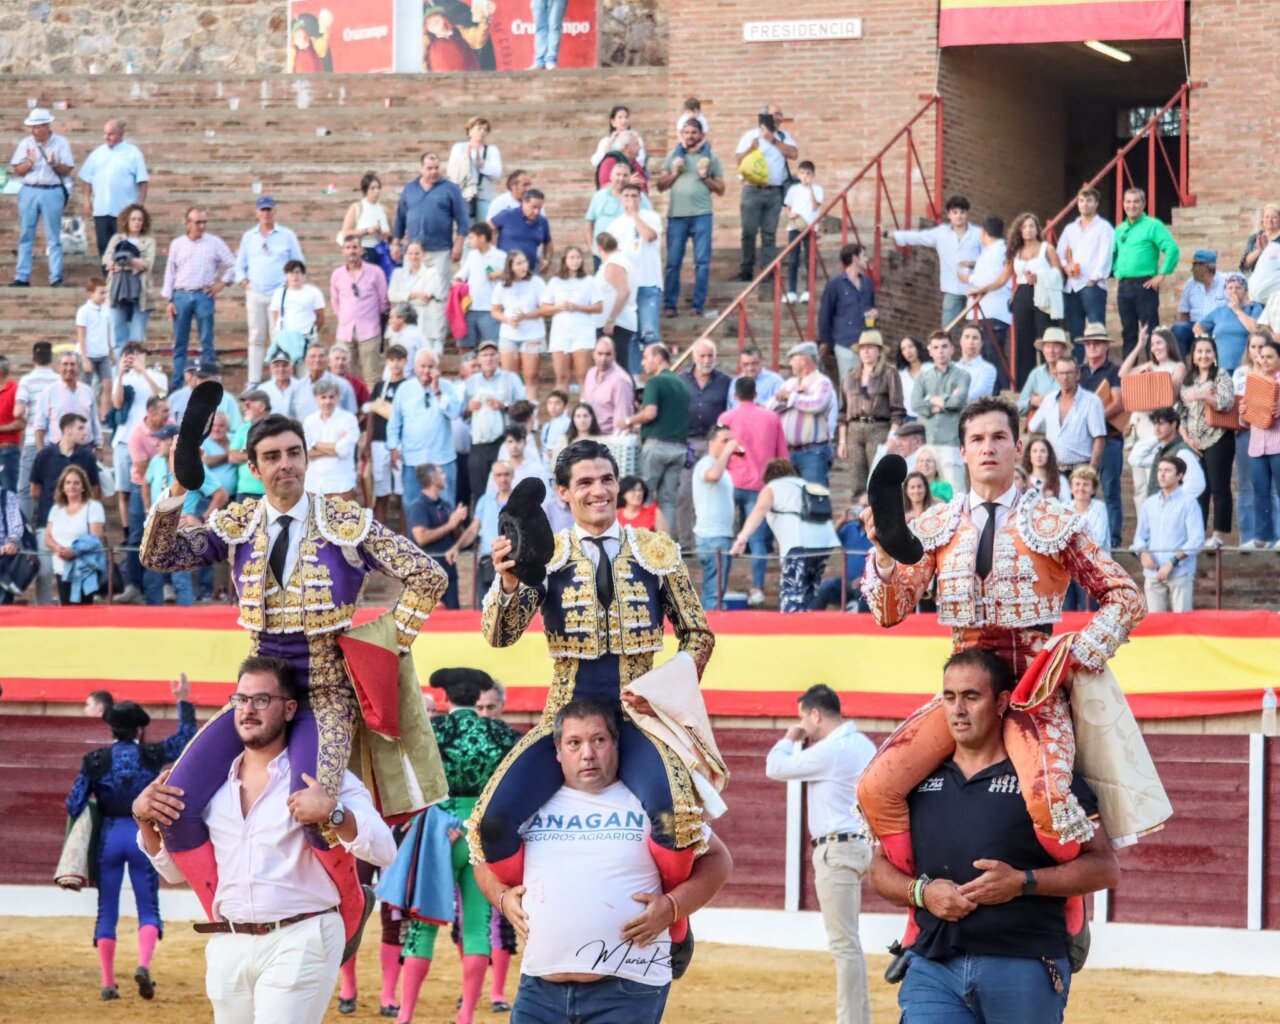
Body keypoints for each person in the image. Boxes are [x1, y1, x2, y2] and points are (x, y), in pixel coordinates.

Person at [138, 415, 448, 955]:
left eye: (294, 453)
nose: (286, 464)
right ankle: (225, 912)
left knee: (315, 810)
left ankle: (352, 908)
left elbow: (430, 576)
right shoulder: (236, 525)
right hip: (256, 698)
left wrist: (383, 645)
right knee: (177, 807)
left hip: (325, 696)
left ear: (307, 458)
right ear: (254, 468)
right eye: (274, 456)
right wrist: (178, 492)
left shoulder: (344, 524)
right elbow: (157, 556)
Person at [472, 440, 719, 911]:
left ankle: (675, 921)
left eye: (607, 479)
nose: (599, 491)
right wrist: (507, 582)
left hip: (640, 718)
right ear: (563, 493)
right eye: (585, 482)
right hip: (564, 721)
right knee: (492, 823)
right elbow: (500, 636)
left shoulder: (657, 550)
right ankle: (532, 903)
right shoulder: (544, 555)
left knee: (679, 817)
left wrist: (663, 693)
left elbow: (697, 636)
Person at [132, 657, 397, 1024]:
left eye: (261, 700)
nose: (247, 710)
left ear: (289, 709)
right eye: (240, 700)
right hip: (229, 942)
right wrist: (145, 822)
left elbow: (384, 848)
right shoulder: (211, 788)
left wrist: (334, 813)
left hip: (302, 936)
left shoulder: (321, 780)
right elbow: (179, 873)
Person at [867, 648, 1120, 1024]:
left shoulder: (1048, 783)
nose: (958, 710)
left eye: (971, 696)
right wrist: (923, 893)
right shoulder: (916, 781)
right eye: (949, 697)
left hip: (1024, 962)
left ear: (1001, 701)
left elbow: (1104, 868)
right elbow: (880, 871)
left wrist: (1023, 882)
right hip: (935, 965)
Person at [474, 699, 733, 1023]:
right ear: (557, 751)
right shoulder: (529, 807)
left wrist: (673, 906)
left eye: (598, 740)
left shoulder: (648, 803)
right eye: (574, 743)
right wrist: (501, 897)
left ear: (615, 744)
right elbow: (481, 860)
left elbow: (718, 860)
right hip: (539, 987)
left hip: (628, 988)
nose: (588, 753)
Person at [388, 668, 518, 1024]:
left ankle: (406, 1015)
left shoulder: (432, 731)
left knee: (423, 926)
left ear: (444, 698)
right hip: (481, 834)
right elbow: (514, 784)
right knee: (477, 925)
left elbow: (408, 778)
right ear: (479, 698)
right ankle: (465, 1017)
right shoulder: (501, 732)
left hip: (438, 832)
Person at [66, 680, 195, 1001]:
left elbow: (74, 804)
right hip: (142, 835)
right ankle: (143, 965)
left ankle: (108, 984)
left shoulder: (94, 760)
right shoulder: (152, 754)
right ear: (139, 729)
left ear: (111, 728)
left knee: (106, 909)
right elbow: (186, 738)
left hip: (108, 837)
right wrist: (182, 701)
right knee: (148, 907)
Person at [765, 685, 876, 1024]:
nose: (802, 725)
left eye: (803, 718)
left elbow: (775, 767)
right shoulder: (862, 744)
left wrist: (788, 736)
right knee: (850, 944)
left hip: (837, 850)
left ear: (815, 714)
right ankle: (859, 1018)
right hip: (858, 845)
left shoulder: (832, 750)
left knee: (844, 946)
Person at [732, 457, 839, 612]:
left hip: (799, 543)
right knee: (810, 591)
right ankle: (810, 628)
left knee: (792, 592)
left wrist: (741, 539)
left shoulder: (772, 487)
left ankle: (791, 630)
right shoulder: (807, 485)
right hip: (824, 543)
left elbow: (759, 510)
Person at [971, 212, 1064, 389]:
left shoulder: (1047, 249)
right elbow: (1002, 279)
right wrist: (980, 290)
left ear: (1037, 229)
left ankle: (1052, 384)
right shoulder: (1015, 252)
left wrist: (1040, 277)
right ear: (1019, 231)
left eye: (1031, 226)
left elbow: (1059, 275)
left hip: (1043, 295)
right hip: (1022, 296)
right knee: (1023, 343)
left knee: (1047, 339)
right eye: (1024, 227)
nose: (1028, 230)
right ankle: (1024, 388)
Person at [719, 375, 788, 606]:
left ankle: (721, 586)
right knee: (758, 539)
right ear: (756, 395)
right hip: (760, 485)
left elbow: (719, 452)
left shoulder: (726, 417)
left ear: (735, 395)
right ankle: (757, 588)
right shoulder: (771, 418)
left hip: (731, 482)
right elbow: (782, 456)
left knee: (727, 535)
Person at [656, 119, 725, 319]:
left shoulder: (711, 158)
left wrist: (705, 178)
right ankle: (670, 305)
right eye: (686, 132)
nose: (690, 136)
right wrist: (675, 173)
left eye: (694, 132)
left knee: (702, 262)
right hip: (677, 216)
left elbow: (721, 189)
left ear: (701, 134)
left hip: (702, 215)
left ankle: (698, 306)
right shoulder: (673, 157)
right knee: (673, 262)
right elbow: (660, 185)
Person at [161, 207, 235, 389]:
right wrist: (169, 300)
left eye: (204, 222)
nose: (201, 226)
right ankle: (178, 382)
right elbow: (170, 272)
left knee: (207, 341)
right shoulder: (177, 244)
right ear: (188, 224)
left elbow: (233, 265)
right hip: (181, 294)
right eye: (197, 222)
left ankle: (209, 381)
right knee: (180, 342)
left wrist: (222, 283)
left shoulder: (214, 242)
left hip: (204, 294)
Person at [235, 196, 304, 387]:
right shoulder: (249, 236)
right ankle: (253, 380)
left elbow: (298, 261)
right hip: (255, 291)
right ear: (257, 212)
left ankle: (278, 378)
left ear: (274, 211)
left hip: (279, 293)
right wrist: (244, 282)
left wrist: (289, 284)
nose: (265, 213)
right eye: (262, 210)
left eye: (269, 210)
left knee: (278, 337)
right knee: (256, 337)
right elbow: (239, 264)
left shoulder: (286, 235)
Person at [675, 339, 733, 548]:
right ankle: (686, 542)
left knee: (716, 492)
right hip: (687, 443)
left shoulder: (725, 381)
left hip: (714, 446)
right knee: (684, 494)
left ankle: (713, 540)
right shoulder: (680, 380)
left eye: (710, 356)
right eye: (702, 356)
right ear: (693, 357)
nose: (706, 360)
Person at [625, 344, 689, 532]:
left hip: (656, 446)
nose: (643, 362)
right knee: (668, 500)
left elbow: (651, 413)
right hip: (679, 448)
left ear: (658, 358)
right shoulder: (682, 384)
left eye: (645, 357)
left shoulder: (654, 382)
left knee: (641, 494)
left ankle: (640, 541)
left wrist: (628, 421)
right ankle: (665, 545)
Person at [1180, 336, 1236, 548]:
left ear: (1214, 355)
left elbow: (1226, 402)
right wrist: (1186, 438)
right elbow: (1181, 412)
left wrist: (1204, 396)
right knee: (1199, 489)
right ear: (1193, 357)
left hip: (1218, 438)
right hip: (1194, 441)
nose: (1204, 355)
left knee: (1219, 488)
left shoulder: (1221, 375)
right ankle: (1198, 535)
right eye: (1199, 352)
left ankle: (1219, 535)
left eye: (1208, 351)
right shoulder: (1187, 380)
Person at [892, 195, 981, 327]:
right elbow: (918, 237)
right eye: (955, 212)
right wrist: (892, 235)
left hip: (975, 288)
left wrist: (975, 265)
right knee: (947, 329)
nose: (959, 216)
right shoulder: (941, 233)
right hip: (952, 288)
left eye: (962, 212)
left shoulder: (978, 234)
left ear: (967, 213)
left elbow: (989, 256)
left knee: (977, 329)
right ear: (949, 215)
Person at [388, 348, 462, 504]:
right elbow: (394, 422)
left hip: (442, 459)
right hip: (413, 459)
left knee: (446, 506)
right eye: (422, 366)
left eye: (430, 366)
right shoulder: (404, 389)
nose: (426, 370)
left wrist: (437, 391)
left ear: (437, 368)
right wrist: (393, 447)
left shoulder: (447, 387)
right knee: (412, 505)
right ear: (415, 367)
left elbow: (454, 414)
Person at [735, 102, 800, 282]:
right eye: (775, 114)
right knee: (748, 232)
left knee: (769, 234)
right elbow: (738, 160)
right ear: (764, 116)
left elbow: (794, 154)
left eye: (781, 114)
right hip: (752, 190)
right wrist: (751, 149)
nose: (779, 117)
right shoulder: (750, 136)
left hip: (775, 192)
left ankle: (767, 271)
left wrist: (772, 139)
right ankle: (746, 270)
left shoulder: (783, 136)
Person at [10, 107, 74, 288]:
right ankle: (22, 276)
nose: (33, 131)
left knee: (53, 237)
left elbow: (67, 170)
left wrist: (54, 164)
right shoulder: (26, 143)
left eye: (37, 126)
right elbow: (17, 170)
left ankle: (56, 277)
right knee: (25, 235)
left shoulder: (61, 143)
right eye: (32, 127)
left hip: (52, 190)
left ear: (46, 126)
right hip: (30, 189)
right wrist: (29, 162)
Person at [1113, 187, 1179, 357]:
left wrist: (1162, 274)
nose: (1131, 205)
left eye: (1136, 201)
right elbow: (1112, 254)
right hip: (1124, 286)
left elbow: (1171, 248)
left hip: (1144, 284)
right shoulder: (1119, 230)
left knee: (1151, 333)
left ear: (1143, 204)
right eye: (1128, 201)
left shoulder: (1153, 225)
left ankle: (1156, 373)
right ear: (1123, 204)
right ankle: (1128, 378)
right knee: (1128, 333)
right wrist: (1115, 271)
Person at [837, 331, 905, 496]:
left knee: (878, 477)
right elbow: (842, 411)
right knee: (857, 478)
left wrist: (892, 436)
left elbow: (897, 409)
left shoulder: (889, 373)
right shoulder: (850, 375)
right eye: (863, 348)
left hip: (879, 426)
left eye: (870, 348)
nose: (866, 351)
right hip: (853, 428)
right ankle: (859, 517)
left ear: (879, 351)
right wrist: (842, 440)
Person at [1133, 455, 1204, 612]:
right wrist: (1144, 554)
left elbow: (1196, 540)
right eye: (1160, 470)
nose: (1162, 474)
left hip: (1180, 572)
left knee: (1182, 624)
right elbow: (1139, 536)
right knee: (1155, 626)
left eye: (1167, 471)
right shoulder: (1150, 503)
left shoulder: (1189, 503)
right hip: (1152, 573)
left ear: (1179, 476)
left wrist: (1172, 562)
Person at [1077, 324, 1126, 546]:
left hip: (1110, 437)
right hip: (1084, 441)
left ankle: (1113, 539)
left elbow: (1118, 402)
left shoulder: (1113, 370)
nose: (1092, 346)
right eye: (1089, 343)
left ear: (1106, 345)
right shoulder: (1078, 371)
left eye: (1097, 342)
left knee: (1110, 490)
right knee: (1084, 490)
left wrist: (1092, 418)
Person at [606, 181, 664, 359]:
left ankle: (655, 375)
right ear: (620, 199)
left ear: (640, 199)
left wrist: (635, 216)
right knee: (630, 335)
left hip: (649, 283)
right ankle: (636, 380)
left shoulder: (651, 217)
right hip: (627, 288)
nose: (630, 200)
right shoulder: (614, 226)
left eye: (634, 196)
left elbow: (649, 236)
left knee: (649, 333)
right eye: (626, 196)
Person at [463, 340, 526, 502]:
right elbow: (461, 414)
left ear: (498, 357)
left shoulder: (510, 378)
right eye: (484, 355)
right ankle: (483, 525)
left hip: (503, 442)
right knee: (479, 490)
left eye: (492, 354)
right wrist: (469, 408)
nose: (488, 359)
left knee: (505, 487)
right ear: (478, 358)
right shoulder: (471, 382)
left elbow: (525, 408)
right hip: (478, 444)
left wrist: (504, 406)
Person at [393, 152, 469, 285]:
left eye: (437, 167)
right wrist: (395, 243)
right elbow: (400, 218)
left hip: (440, 251)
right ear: (421, 168)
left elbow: (463, 220)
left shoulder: (451, 189)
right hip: (414, 252)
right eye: (429, 168)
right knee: (413, 290)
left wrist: (459, 244)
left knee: (439, 292)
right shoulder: (410, 189)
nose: (434, 171)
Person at [78, 117, 149, 257]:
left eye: (111, 134)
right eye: (105, 133)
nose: (106, 137)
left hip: (124, 211)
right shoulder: (97, 154)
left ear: (121, 134)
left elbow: (143, 182)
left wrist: (139, 205)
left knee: (125, 248)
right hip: (101, 210)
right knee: (104, 248)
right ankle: (108, 278)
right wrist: (86, 200)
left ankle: (124, 278)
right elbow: (87, 180)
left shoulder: (133, 153)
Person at [771, 341, 837, 486]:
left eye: (793, 359)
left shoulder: (822, 383)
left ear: (805, 359)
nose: (790, 364)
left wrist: (791, 397)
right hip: (787, 452)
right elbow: (771, 408)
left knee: (813, 496)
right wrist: (787, 396)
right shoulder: (789, 384)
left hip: (813, 452)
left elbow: (817, 404)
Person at [331, 235, 391, 391]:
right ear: (343, 251)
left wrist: (369, 319)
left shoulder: (375, 272)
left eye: (355, 247)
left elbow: (383, 302)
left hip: (369, 331)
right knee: (345, 375)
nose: (352, 251)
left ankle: (372, 413)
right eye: (348, 248)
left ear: (362, 250)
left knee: (372, 376)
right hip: (345, 333)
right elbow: (335, 303)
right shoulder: (337, 275)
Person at [1056, 186, 1114, 348]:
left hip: (1092, 284)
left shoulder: (1104, 227)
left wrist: (1094, 278)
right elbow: (1059, 254)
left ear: (1096, 204)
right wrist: (1065, 267)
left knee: (1097, 330)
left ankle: (1101, 369)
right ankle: (1078, 369)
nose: (1085, 204)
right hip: (1072, 286)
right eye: (1081, 200)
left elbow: (1105, 254)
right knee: (1076, 333)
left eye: (1089, 201)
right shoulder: (1070, 229)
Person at [1028, 356, 1106, 475]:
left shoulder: (1092, 401)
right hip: (1052, 469)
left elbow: (1099, 439)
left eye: (1069, 373)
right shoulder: (1049, 400)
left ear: (1077, 375)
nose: (1065, 378)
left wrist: (1091, 471)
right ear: (1056, 375)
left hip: (1080, 469)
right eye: (1061, 373)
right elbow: (1033, 428)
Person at [446, 459, 513, 597]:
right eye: (499, 475)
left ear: (512, 475)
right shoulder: (485, 501)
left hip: (511, 563)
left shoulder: (521, 500)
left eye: (506, 474)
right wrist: (457, 547)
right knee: (483, 610)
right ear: (493, 477)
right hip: (487, 562)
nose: (503, 479)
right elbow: (473, 529)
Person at [911, 331, 970, 484]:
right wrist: (945, 402)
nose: (940, 351)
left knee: (956, 493)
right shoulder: (923, 377)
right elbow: (915, 403)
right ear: (930, 351)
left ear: (952, 349)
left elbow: (958, 402)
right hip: (927, 443)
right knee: (925, 492)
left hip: (950, 443)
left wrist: (931, 399)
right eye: (936, 347)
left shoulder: (962, 375)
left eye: (944, 346)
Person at [407, 462, 467, 609]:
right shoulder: (418, 506)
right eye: (441, 473)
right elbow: (421, 538)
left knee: (454, 619)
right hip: (429, 574)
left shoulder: (445, 505)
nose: (444, 476)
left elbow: (457, 537)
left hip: (448, 571)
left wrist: (458, 522)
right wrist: (450, 525)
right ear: (433, 479)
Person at [542, 246, 602, 392]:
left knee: (583, 375)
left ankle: (584, 408)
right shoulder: (555, 282)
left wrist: (578, 307)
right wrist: (559, 307)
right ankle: (562, 411)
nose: (575, 261)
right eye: (571, 258)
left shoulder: (589, 281)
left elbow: (598, 307)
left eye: (577, 258)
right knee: (562, 376)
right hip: (561, 333)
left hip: (582, 333)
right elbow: (544, 308)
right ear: (565, 260)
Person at [45, 463, 107, 604]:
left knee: (84, 616)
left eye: (76, 483)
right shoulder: (56, 509)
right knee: (65, 613)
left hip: (85, 571)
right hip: (61, 568)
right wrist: (58, 549)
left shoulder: (94, 507)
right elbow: (47, 537)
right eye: (68, 483)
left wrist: (73, 551)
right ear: (62, 486)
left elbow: (95, 538)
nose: (71, 486)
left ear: (83, 486)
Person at [491, 250, 548, 402]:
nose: (523, 266)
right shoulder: (502, 285)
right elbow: (495, 311)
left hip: (532, 333)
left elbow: (546, 308)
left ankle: (532, 412)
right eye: (518, 263)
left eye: (525, 262)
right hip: (509, 334)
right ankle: (511, 410)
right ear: (511, 267)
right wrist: (508, 320)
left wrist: (526, 316)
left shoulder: (536, 282)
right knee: (509, 377)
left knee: (531, 376)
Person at [1240, 334, 1280, 549]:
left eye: (1269, 357)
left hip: (1278, 444)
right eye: (1261, 356)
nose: (1263, 360)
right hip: (1256, 445)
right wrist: (1243, 413)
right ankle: (1262, 537)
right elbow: (1246, 421)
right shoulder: (1253, 381)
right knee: (1260, 491)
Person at [818, 244, 877, 385]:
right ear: (855, 258)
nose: (867, 259)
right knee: (849, 383)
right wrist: (826, 341)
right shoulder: (835, 284)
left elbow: (871, 307)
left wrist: (874, 314)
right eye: (863, 256)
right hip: (845, 341)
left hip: (867, 341)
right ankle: (848, 407)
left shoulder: (867, 284)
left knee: (869, 382)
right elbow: (826, 312)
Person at [692, 424, 737, 609]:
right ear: (711, 443)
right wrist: (727, 453)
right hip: (711, 535)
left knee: (718, 589)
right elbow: (713, 476)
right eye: (724, 441)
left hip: (721, 534)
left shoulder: (722, 468)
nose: (730, 444)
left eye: (730, 440)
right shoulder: (706, 463)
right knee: (714, 591)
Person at [14, 342, 59, 519]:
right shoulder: (57, 380)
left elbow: (17, 412)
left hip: (33, 441)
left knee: (25, 488)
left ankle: (23, 530)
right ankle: (50, 527)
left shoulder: (27, 380)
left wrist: (28, 422)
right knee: (53, 487)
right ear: (51, 359)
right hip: (56, 442)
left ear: (33, 358)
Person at [966, 215, 1012, 387]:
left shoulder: (1000, 251)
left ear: (984, 232)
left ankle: (1004, 390)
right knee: (984, 355)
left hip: (993, 310)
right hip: (984, 310)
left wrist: (978, 288)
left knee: (993, 354)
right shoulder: (990, 252)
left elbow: (996, 279)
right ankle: (992, 393)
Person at [102, 203, 157, 347]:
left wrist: (122, 260)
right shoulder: (117, 239)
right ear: (126, 220)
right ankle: (121, 369)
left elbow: (147, 265)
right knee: (119, 337)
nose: (137, 222)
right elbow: (106, 260)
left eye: (140, 219)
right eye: (133, 219)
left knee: (136, 339)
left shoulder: (149, 241)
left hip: (141, 292)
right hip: (117, 290)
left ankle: (135, 368)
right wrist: (133, 262)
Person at [811, 496, 872, 611]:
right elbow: (826, 543)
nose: (862, 509)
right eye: (860, 506)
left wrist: (864, 578)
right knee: (824, 588)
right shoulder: (850, 528)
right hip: (846, 582)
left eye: (866, 506)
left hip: (869, 584)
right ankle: (813, 624)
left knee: (865, 594)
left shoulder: (880, 532)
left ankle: (862, 627)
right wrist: (841, 521)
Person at [35, 349, 104, 451]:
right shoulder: (49, 392)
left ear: (78, 367)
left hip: (85, 449)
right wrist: (41, 453)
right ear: (58, 367)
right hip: (57, 449)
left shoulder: (88, 391)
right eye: (65, 364)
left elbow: (94, 421)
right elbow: (39, 425)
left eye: (73, 364)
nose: (69, 368)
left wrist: (99, 446)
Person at [302, 379, 359, 500]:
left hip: (340, 484)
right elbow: (305, 453)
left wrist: (314, 444)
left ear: (338, 398)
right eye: (323, 397)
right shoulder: (309, 421)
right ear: (316, 399)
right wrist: (335, 447)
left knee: (342, 519)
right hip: (313, 484)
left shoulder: (349, 419)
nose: (328, 401)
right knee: (314, 519)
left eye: (331, 397)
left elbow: (344, 451)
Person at [1064, 466, 1110, 611]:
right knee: (1066, 615)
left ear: (1093, 489)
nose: (1081, 488)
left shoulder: (1099, 508)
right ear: (1071, 488)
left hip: (1092, 570)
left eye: (1086, 484)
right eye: (1077, 484)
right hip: (1067, 571)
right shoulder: (1063, 508)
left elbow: (1097, 540)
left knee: (1089, 614)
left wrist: (1071, 541)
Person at [1195, 272, 1261, 373]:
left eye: (1238, 288)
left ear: (1246, 291)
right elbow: (1197, 328)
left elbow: (1255, 329)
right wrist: (1209, 343)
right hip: (1221, 369)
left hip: (1246, 368)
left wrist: (1237, 310)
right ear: (1226, 291)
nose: (1233, 291)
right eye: (1230, 288)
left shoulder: (1254, 307)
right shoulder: (1220, 310)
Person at [455, 222, 505, 352]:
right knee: (465, 345)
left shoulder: (500, 256)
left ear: (482, 238)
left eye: (472, 237)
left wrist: (499, 274)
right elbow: (463, 273)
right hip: (470, 307)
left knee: (491, 346)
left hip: (489, 309)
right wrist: (457, 281)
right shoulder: (472, 255)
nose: (469, 241)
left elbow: (511, 275)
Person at [594, 231, 638, 375]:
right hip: (612, 322)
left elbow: (624, 291)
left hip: (617, 324)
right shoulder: (616, 261)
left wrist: (611, 319)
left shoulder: (613, 264)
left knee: (619, 368)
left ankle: (629, 397)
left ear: (599, 247)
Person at [387, 244, 442, 357]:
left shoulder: (432, 273)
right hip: (399, 321)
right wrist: (415, 294)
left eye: (417, 253)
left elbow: (425, 298)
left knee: (424, 358)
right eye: (410, 253)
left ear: (423, 255)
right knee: (399, 357)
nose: (413, 257)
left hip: (424, 321)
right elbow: (391, 295)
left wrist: (402, 297)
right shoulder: (398, 273)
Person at [447, 116, 504, 225]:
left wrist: (481, 164)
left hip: (483, 196)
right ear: (470, 131)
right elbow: (453, 171)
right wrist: (466, 159)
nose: (482, 132)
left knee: (483, 230)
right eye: (479, 128)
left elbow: (497, 172)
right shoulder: (459, 147)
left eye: (485, 129)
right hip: (464, 196)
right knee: (465, 230)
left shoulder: (491, 150)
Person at [783, 160, 825, 304]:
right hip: (795, 225)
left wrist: (810, 188)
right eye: (802, 173)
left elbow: (815, 206)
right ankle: (792, 291)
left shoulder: (818, 189)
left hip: (810, 226)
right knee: (793, 259)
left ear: (813, 175)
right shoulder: (793, 189)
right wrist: (790, 214)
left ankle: (809, 290)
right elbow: (787, 205)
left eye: (808, 174)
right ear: (798, 174)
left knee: (809, 259)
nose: (805, 176)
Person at [1173, 249, 1228, 352]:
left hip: (1218, 327)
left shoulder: (1226, 282)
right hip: (1195, 326)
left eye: (1194, 265)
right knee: (1179, 329)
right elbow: (1184, 312)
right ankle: (1182, 366)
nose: (1191, 269)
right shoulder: (1191, 284)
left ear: (1204, 267)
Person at [491, 189, 553, 277]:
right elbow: (488, 227)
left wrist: (547, 260)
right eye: (534, 207)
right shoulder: (508, 215)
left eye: (539, 208)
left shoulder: (542, 222)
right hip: (505, 273)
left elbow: (548, 242)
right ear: (524, 202)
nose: (537, 212)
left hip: (529, 273)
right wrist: (494, 248)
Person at [75, 279, 114, 417]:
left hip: (102, 353)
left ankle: (104, 417)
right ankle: (84, 415)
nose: (103, 296)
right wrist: (84, 359)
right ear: (91, 293)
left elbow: (107, 332)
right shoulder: (84, 311)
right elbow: (81, 336)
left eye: (105, 293)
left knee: (107, 385)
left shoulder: (106, 310)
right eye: (101, 292)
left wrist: (111, 352)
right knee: (85, 387)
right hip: (88, 353)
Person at [581, 337, 634, 435]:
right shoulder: (590, 373)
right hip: (590, 434)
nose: (603, 359)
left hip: (608, 436)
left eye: (608, 354)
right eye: (600, 354)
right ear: (593, 354)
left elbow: (621, 419)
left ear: (614, 355)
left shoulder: (620, 380)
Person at [339, 172, 392, 266]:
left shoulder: (384, 210)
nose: (376, 191)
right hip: (365, 251)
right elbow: (346, 232)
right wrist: (367, 230)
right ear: (365, 190)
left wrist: (385, 235)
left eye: (378, 188)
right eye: (372, 188)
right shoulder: (357, 207)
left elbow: (390, 234)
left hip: (383, 252)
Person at [268, 259, 326, 343]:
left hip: (307, 336)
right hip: (286, 337)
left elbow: (320, 316)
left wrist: (312, 330)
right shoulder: (279, 294)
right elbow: (275, 315)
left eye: (297, 272)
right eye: (291, 273)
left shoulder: (313, 292)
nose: (294, 276)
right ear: (286, 275)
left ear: (303, 274)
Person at [591, 105, 649, 172]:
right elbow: (596, 162)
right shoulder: (606, 141)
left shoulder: (636, 139)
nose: (624, 121)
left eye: (626, 117)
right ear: (613, 122)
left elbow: (640, 161)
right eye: (620, 117)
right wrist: (609, 143)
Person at [726, 345, 785, 409]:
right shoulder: (735, 382)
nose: (750, 368)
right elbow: (731, 407)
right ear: (740, 364)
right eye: (746, 364)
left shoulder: (775, 381)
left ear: (761, 361)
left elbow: (781, 406)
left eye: (754, 363)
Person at [957, 323, 997, 401]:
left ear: (981, 343)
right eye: (967, 337)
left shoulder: (988, 369)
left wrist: (948, 401)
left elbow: (975, 396)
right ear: (961, 342)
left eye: (975, 338)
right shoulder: (952, 367)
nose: (971, 342)